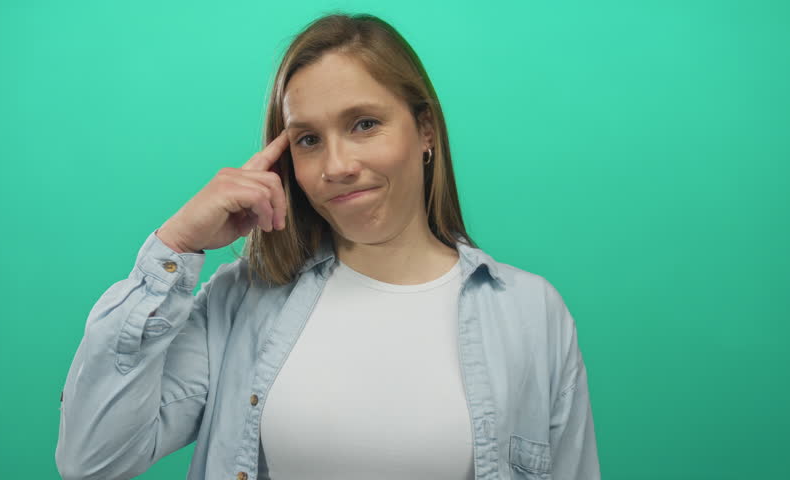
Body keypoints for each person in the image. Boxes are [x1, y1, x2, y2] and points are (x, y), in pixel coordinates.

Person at [55, 12, 600, 480]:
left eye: (364, 124)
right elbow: (94, 458)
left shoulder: (533, 314)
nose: (337, 166)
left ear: (425, 129)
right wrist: (174, 245)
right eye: (309, 140)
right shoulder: (242, 301)